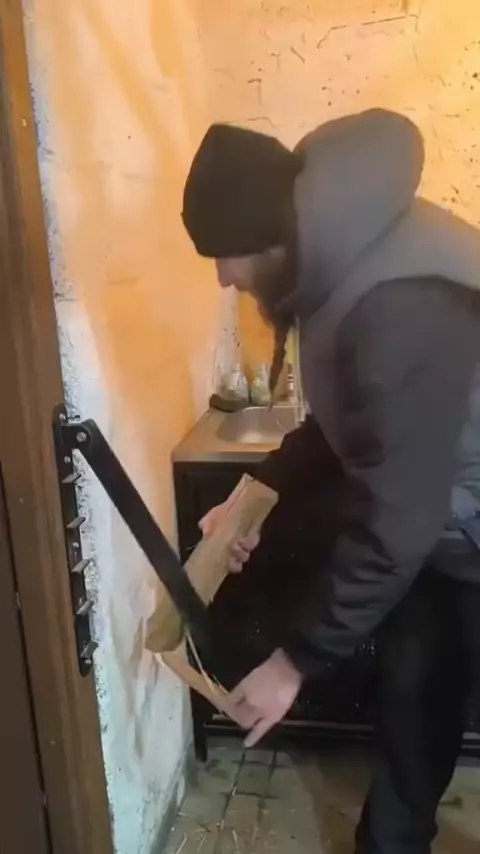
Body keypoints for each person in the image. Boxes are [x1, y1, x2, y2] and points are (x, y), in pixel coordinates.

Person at [181, 109, 480, 854]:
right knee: (417, 684)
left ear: (270, 238)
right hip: (444, 521)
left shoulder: (396, 305)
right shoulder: (337, 260)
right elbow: (343, 423)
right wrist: (252, 495)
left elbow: (396, 521)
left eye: (223, 255)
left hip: (455, 517)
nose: (221, 277)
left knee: (431, 673)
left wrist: (293, 663)